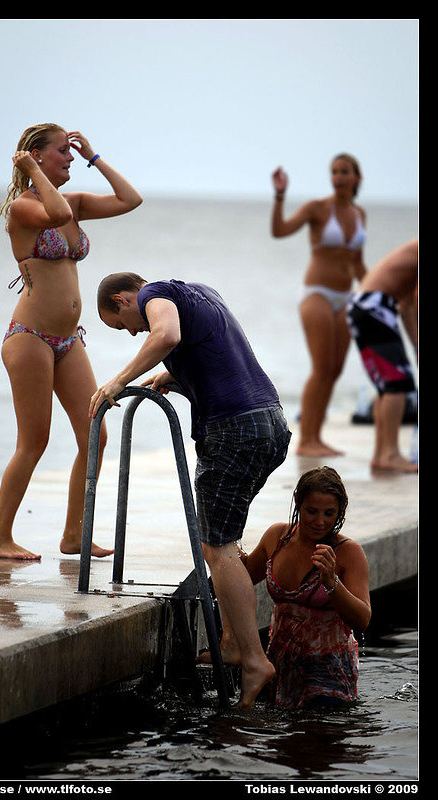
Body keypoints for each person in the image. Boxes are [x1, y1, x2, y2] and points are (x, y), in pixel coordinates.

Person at [89, 273, 292, 707]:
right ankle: (232, 642)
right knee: (223, 540)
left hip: (235, 431)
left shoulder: (155, 294)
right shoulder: (201, 294)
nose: (131, 333)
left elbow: (165, 334)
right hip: (270, 424)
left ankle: (254, 659)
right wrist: (175, 376)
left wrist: (117, 381)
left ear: (123, 299)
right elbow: (217, 355)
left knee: (217, 548)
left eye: (121, 324)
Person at [0, 125, 143, 561]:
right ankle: (0, 538)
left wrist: (95, 157)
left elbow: (130, 199)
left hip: (68, 340)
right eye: (63, 151)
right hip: (29, 338)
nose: (70, 158)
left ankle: (74, 534)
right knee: (34, 441)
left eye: (73, 152)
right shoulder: (25, 206)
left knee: (95, 434)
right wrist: (34, 173)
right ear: (36, 156)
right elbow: (54, 216)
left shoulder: (73, 202)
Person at [229, 467, 371, 708]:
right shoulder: (277, 538)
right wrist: (223, 547)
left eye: (329, 513)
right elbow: (243, 578)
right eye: (311, 511)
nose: (320, 522)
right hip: (279, 668)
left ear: (340, 510)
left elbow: (363, 620)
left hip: (328, 673)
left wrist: (331, 583)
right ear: (297, 501)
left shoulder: (348, 552)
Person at [271, 154, 367, 457]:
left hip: (346, 296)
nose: (338, 177)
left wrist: (377, 291)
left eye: (344, 172)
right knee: (321, 367)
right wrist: (280, 196)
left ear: (356, 178)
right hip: (318, 294)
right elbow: (280, 230)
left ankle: (317, 437)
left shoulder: (360, 214)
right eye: (334, 172)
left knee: (335, 370)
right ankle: (306, 440)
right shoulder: (317, 208)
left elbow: (358, 263)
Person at [346, 239, 418, 473]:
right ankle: (390, 454)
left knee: (387, 386)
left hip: (364, 305)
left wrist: (416, 347)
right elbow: (413, 302)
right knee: (397, 384)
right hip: (375, 307)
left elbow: (407, 304)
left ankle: (380, 454)